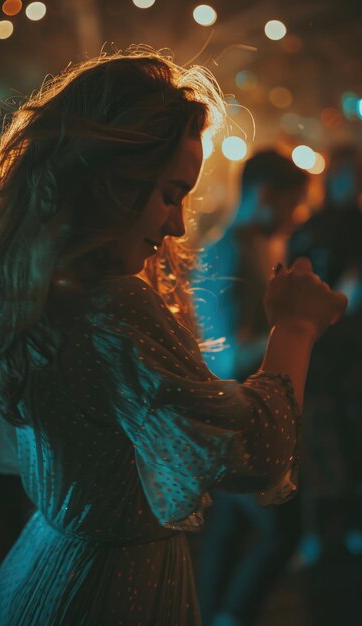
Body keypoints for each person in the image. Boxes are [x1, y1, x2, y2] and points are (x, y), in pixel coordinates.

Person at [0, 50, 346, 626]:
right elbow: (254, 452)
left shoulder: (36, 288)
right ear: (110, 182)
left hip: (43, 565)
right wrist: (298, 326)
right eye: (168, 193)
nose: (179, 224)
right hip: (108, 591)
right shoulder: (111, 303)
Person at [190, 150, 308, 626]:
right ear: (264, 195)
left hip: (246, 414)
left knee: (230, 531)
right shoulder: (227, 253)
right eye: (291, 204)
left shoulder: (261, 245)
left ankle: (214, 613)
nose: (296, 216)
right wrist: (301, 328)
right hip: (234, 416)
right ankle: (230, 615)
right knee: (282, 529)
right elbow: (221, 356)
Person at [288, 144, 362, 566]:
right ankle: (315, 530)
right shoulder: (311, 230)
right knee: (316, 446)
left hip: (354, 353)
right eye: (344, 175)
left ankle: (351, 525)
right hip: (320, 352)